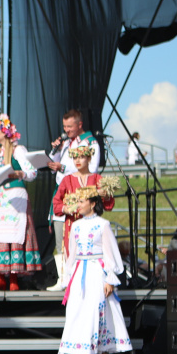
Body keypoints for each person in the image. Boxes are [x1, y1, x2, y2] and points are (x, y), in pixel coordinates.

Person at [58, 187, 131, 354]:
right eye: (78, 201)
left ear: (92, 203)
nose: (79, 205)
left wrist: (109, 278)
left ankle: (95, 353)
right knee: (77, 312)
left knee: (96, 310)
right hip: (81, 271)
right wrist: (68, 276)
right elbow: (72, 253)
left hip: (96, 271)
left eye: (82, 201)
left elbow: (110, 253)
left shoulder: (103, 225)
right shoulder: (76, 226)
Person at [0, 114, 40, 291]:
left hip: (15, 196)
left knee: (14, 234)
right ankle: (0, 276)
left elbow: (32, 172)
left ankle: (13, 276)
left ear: (4, 133)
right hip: (0, 198)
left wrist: (21, 174)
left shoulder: (17, 150)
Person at [47, 109, 101, 290]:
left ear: (80, 125)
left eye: (70, 126)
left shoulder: (90, 143)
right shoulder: (66, 143)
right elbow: (54, 168)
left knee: (78, 239)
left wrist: (63, 167)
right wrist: (55, 151)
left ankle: (79, 278)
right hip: (62, 194)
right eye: (64, 127)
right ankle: (63, 279)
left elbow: (91, 171)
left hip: (79, 197)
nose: (66, 130)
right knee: (60, 238)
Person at [52, 146, 117, 276]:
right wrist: (67, 208)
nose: (78, 160)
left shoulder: (97, 179)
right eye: (75, 157)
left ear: (89, 158)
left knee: (93, 256)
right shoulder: (67, 180)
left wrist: (105, 195)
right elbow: (56, 205)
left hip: (93, 226)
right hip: (73, 226)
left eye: (81, 157)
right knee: (74, 259)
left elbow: (109, 205)